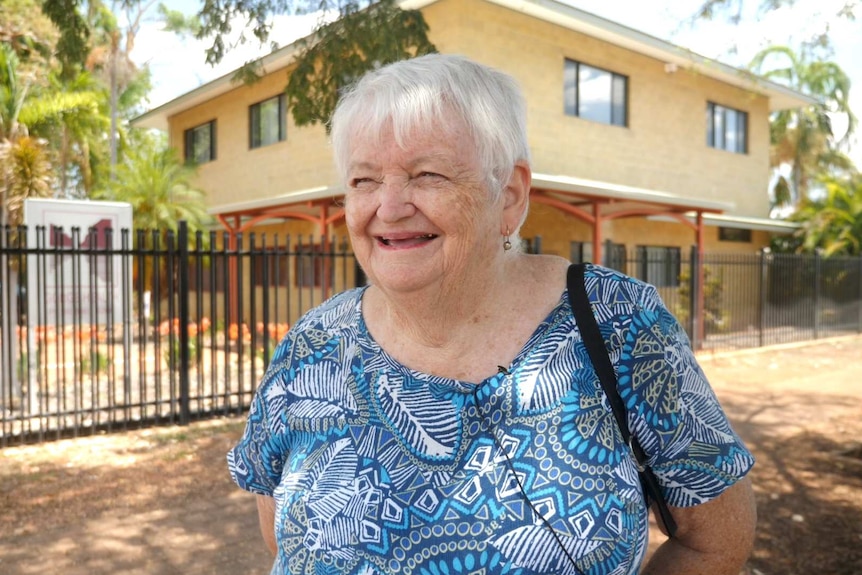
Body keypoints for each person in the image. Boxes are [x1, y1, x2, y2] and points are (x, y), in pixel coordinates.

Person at [227, 53, 757, 575]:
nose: (387, 208)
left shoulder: (619, 323)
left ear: (509, 195)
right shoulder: (311, 345)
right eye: (364, 181)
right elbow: (282, 539)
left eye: (427, 174)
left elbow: (715, 541)